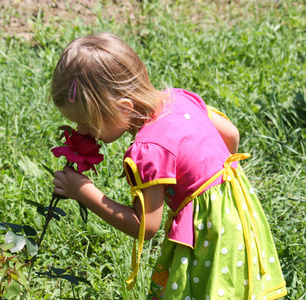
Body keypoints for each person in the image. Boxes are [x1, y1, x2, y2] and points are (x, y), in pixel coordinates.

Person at [50, 32, 287, 300]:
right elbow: (231, 134)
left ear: (124, 107)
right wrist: (215, 184)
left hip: (209, 232)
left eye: (86, 122)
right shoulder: (179, 98)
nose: (82, 130)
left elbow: (145, 227)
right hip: (239, 210)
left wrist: (83, 191)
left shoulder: (148, 149)